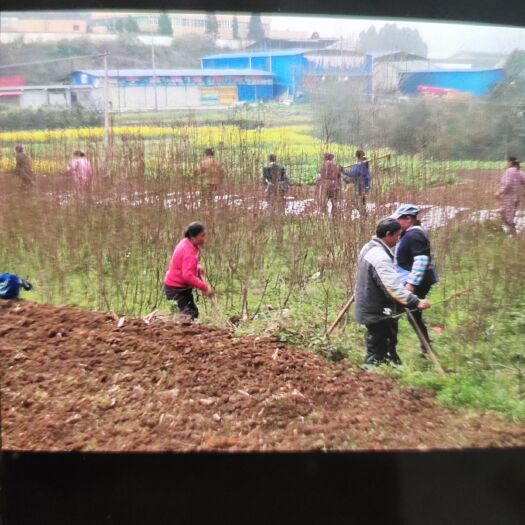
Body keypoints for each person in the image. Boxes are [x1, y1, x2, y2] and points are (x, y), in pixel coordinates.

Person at [355, 217, 430, 366]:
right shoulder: (380, 257)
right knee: (378, 348)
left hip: (371, 305)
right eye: (397, 235)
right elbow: (393, 288)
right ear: (388, 234)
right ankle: (371, 375)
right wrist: (416, 302)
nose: (398, 239)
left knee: (386, 344)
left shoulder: (368, 247)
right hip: (377, 310)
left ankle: (390, 369)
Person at [391, 204, 439, 356]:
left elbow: (421, 261)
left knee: (399, 313)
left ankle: (388, 348)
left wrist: (411, 284)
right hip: (411, 280)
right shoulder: (409, 233)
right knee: (413, 315)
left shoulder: (415, 235)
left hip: (416, 282)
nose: (396, 223)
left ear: (408, 219)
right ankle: (426, 347)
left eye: (399, 220)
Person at [164, 222, 214, 320]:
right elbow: (187, 276)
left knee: (193, 313)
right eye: (202, 236)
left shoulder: (187, 243)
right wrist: (205, 288)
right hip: (176, 289)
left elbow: (182, 264)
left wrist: (197, 268)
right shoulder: (188, 251)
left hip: (181, 287)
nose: (204, 239)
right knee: (187, 316)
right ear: (193, 236)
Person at [495, 156, 525, 235]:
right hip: (517, 198)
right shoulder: (520, 172)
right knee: (506, 213)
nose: (506, 164)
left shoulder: (509, 171)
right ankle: (511, 232)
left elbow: (508, 184)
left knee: (507, 216)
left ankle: (512, 234)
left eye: (507, 162)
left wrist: (499, 192)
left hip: (509, 197)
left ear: (510, 163)